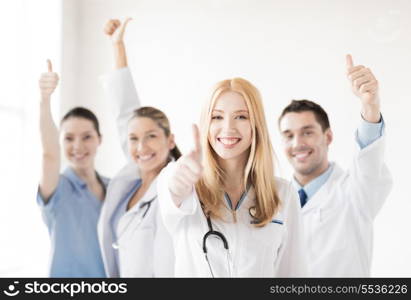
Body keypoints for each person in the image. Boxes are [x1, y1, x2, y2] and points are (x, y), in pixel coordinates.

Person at [157, 77, 307, 277]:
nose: (228, 128)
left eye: (241, 117)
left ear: (256, 126)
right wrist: (178, 183)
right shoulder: (184, 183)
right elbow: (172, 189)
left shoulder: (283, 193)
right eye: (217, 117)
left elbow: (292, 272)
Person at [278, 55, 393, 277]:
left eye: (307, 132)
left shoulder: (355, 192)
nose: (297, 143)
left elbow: (369, 161)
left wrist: (370, 106)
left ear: (328, 137)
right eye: (288, 135)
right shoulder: (273, 199)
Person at [98, 18, 177, 277]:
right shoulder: (131, 182)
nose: (141, 146)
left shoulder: (177, 187)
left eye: (151, 136)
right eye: (133, 139)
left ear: (170, 140)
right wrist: (117, 46)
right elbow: (124, 113)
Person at [37, 60, 108, 277]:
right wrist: (44, 100)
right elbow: (49, 154)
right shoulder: (58, 187)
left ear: (99, 140)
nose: (78, 146)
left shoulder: (113, 187)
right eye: (68, 138)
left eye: (87, 137)